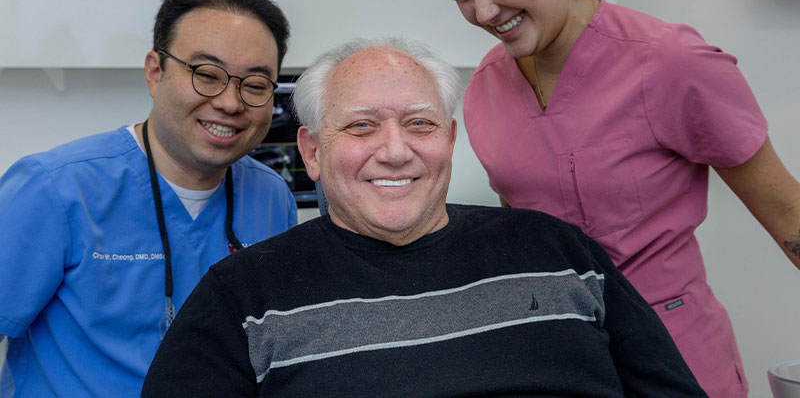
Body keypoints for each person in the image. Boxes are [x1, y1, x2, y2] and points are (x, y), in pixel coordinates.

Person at [141, 37, 707, 398]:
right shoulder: (241, 297)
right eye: (361, 126)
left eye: (419, 124)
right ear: (311, 151)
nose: (394, 151)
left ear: (451, 140)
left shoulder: (559, 251)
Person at [435, 0, 800, 397]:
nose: (483, 11)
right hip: (559, 361)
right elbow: (528, 239)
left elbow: (790, 217)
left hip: (675, 355)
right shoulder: (485, 88)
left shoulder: (669, 62)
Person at [0, 0, 299, 398]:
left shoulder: (272, 199)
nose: (230, 103)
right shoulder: (55, 190)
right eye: (206, 74)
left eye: (254, 85)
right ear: (155, 72)